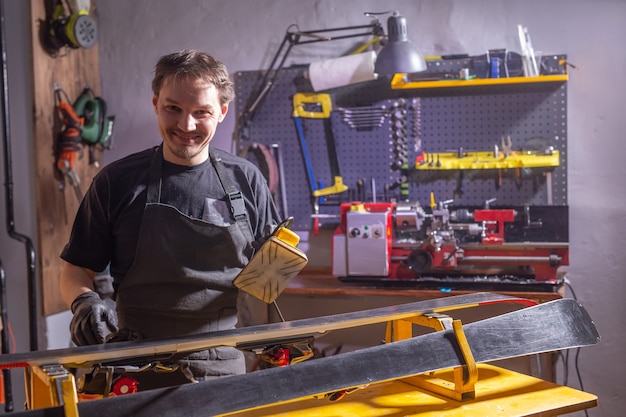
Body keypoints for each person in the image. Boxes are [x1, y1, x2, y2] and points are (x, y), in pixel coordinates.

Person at [59, 49, 281, 389]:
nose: (185, 125)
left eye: (201, 112)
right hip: (135, 362)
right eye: (172, 109)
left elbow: (270, 281)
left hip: (221, 365)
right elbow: (76, 267)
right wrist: (84, 302)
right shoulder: (116, 181)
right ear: (155, 104)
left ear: (222, 112)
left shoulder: (247, 180)